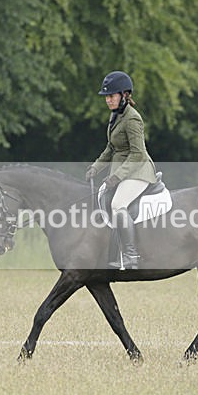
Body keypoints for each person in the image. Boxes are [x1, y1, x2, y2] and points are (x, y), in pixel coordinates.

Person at [86, 70, 158, 269]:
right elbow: (111, 148)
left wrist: (116, 177)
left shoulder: (132, 119)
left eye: (111, 96)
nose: (108, 100)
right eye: (106, 97)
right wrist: (96, 167)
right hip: (124, 172)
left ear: (124, 95)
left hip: (139, 171)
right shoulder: (115, 116)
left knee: (118, 204)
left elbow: (138, 154)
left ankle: (131, 255)